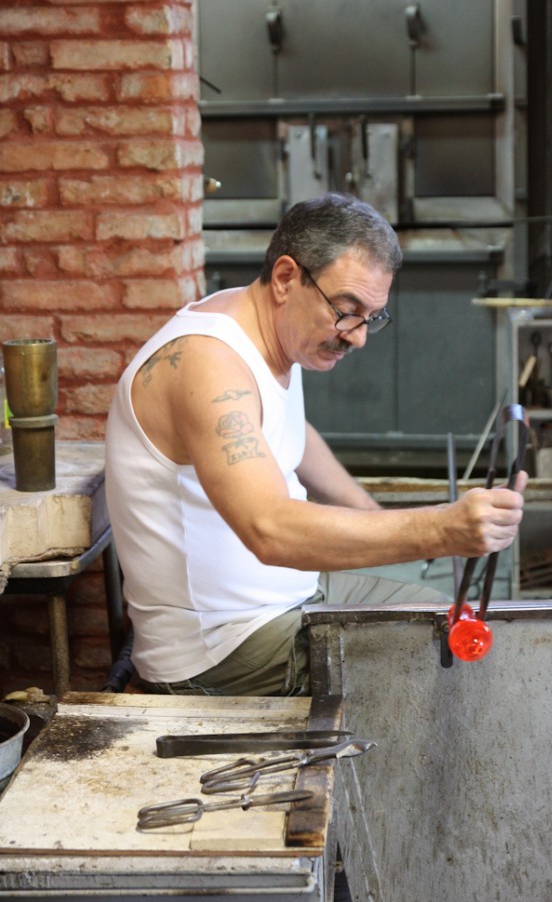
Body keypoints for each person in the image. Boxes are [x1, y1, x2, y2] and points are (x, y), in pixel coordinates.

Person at [105, 193, 527, 696]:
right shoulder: (209, 365)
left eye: (372, 317)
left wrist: (367, 512)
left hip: (295, 595)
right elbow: (271, 530)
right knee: (436, 672)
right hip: (220, 648)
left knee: (451, 625)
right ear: (286, 278)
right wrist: (440, 529)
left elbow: (290, 433)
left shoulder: (273, 328)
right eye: (347, 312)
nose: (358, 337)